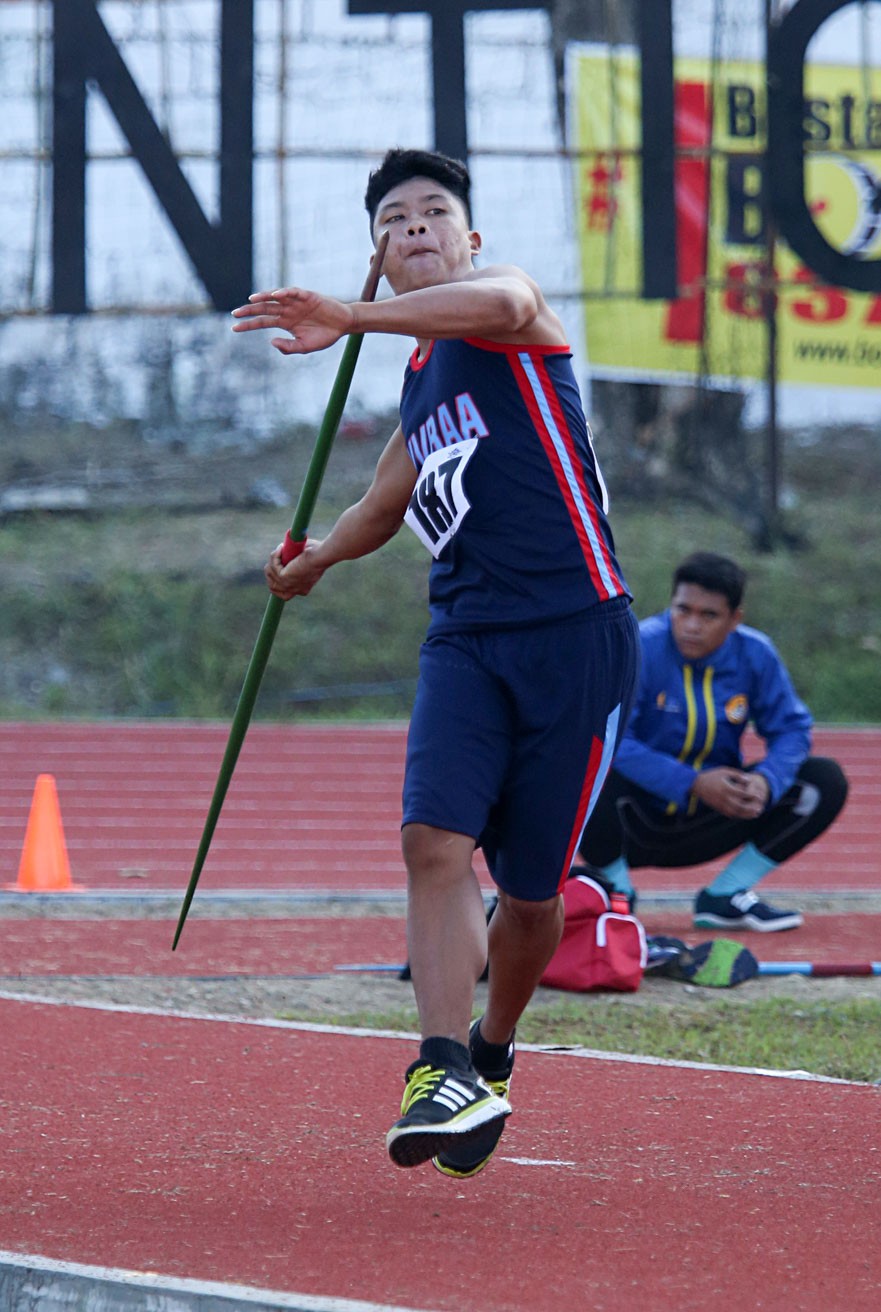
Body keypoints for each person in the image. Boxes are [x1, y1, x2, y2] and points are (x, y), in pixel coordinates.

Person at [232, 148, 639, 1175]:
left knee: (532, 892)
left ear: (468, 236)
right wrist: (314, 560)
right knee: (431, 837)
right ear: (377, 252)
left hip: (574, 634)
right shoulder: (421, 377)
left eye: (434, 212)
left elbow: (498, 301)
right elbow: (382, 501)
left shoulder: (511, 312)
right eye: (393, 221)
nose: (414, 227)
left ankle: (494, 1047)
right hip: (465, 636)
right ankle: (439, 1061)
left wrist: (344, 317)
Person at [575, 550, 848, 932]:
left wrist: (767, 781)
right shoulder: (639, 647)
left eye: (708, 615)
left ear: (735, 618)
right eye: (682, 610)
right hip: (629, 822)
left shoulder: (756, 654)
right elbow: (612, 739)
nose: (691, 625)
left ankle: (725, 896)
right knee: (575, 765)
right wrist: (692, 782)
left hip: (711, 820)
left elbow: (791, 729)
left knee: (824, 779)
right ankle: (618, 895)